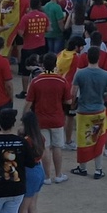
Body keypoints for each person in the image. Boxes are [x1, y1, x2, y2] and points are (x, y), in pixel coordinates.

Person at [23, 52, 71, 184]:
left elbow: (28, 103)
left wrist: (24, 119)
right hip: (57, 118)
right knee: (57, 147)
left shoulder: (36, 81)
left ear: (42, 65)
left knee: (45, 147)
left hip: (40, 119)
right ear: (55, 64)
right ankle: (58, 174)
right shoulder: (62, 81)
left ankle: (47, 177)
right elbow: (68, 101)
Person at [71, 45, 107, 178]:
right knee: (98, 140)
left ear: (87, 57)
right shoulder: (105, 75)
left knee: (82, 139)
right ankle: (98, 169)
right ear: (99, 58)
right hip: (98, 111)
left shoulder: (80, 73)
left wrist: (73, 104)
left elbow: (73, 92)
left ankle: (82, 167)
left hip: (83, 112)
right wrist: (103, 96)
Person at [18, 111, 47, 213]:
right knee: (32, 206)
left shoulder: (26, 141)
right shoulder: (41, 137)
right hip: (39, 170)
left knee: (22, 209)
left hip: (29, 172)